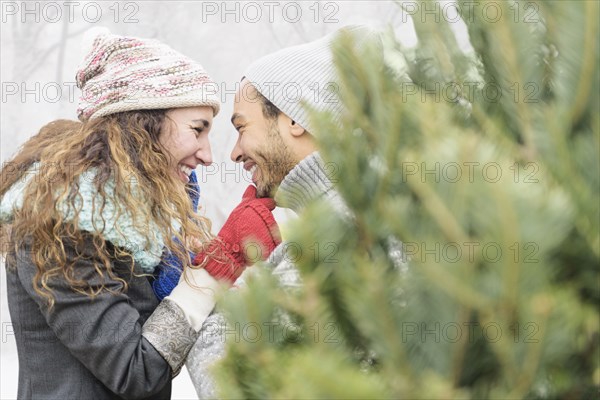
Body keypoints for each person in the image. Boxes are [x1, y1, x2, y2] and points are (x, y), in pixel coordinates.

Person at [0, 28, 279, 399]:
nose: (208, 154)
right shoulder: (63, 223)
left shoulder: (130, 222)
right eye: (198, 130)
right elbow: (137, 370)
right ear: (143, 125)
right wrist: (215, 266)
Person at [185, 25, 389, 398]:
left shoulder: (344, 228)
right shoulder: (329, 216)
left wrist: (218, 289)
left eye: (242, 127)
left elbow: (243, 383)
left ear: (295, 118)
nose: (233, 152)